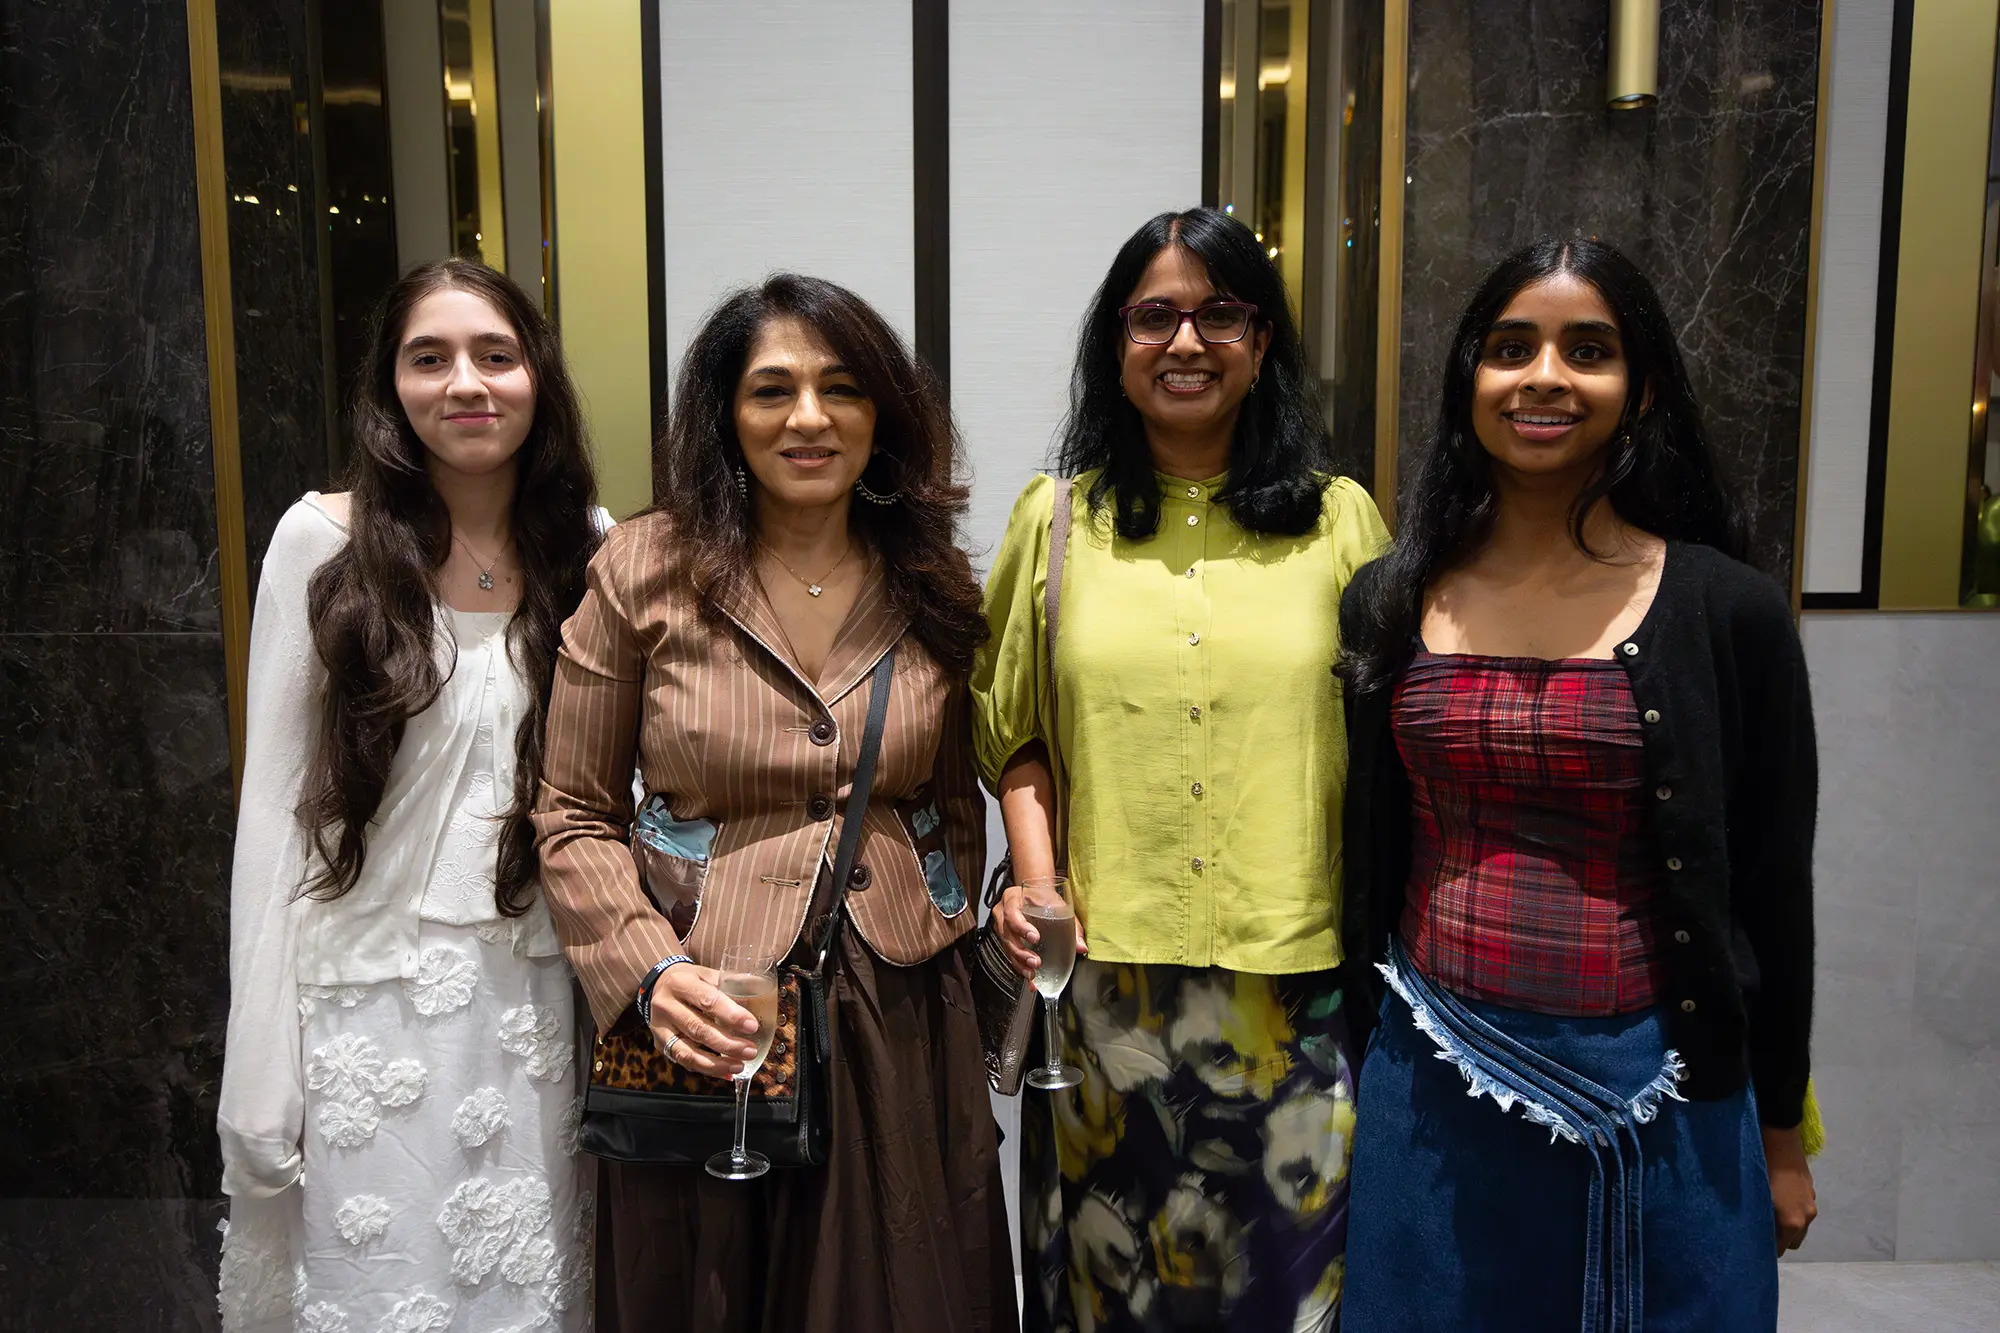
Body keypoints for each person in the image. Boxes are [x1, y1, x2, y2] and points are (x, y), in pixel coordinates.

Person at [1336, 237, 1819, 1331]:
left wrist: (1782, 1135)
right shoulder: (1386, 600)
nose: (1544, 377)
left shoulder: (1727, 610)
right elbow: (1366, 859)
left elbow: (1772, 893)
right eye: (1511, 348)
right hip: (1432, 1082)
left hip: (1662, 1091)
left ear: (1639, 388)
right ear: (1469, 377)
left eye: (1587, 350)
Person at [531, 274, 1014, 1333]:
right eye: (771, 390)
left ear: (881, 413)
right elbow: (570, 810)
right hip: (711, 1006)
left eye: (841, 388)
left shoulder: (929, 577)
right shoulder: (643, 569)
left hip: (898, 1014)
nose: (808, 417)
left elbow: (948, 806)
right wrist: (648, 971)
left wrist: (951, 949)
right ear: (726, 412)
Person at [974, 207, 1388, 1331]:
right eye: (1154, 316)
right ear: (1116, 345)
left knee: (1290, 1293)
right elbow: (1013, 730)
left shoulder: (1338, 523)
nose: (1186, 342)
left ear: (1262, 342)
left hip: (1294, 995)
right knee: (1115, 1291)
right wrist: (1037, 885)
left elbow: (1388, 740)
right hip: (1108, 998)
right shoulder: (1057, 521)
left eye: (1220, 314)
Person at [215, 258, 605, 1332]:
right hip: (362, 1001)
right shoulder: (324, 540)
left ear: (537, 374)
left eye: (495, 355)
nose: (465, 383)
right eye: (428, 358)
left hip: (534, 1002)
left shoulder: (589, 546)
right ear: (390, 384)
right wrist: (258, 1062)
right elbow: (273, 808)